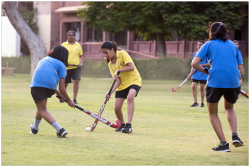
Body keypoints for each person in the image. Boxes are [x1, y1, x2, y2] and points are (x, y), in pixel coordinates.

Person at [191, 22, 244, 152]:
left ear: (211, 32)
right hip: (234, 82)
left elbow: (194, 63)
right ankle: (235, 135)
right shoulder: (233, 45)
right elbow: (242, 72)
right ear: (226, 32)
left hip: (215, 82)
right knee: (229, 107)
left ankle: (223, 144)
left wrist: (207, 72)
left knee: (213, 113)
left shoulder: (208, 44)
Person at [29, 45, 75, 137]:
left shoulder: (44, 59)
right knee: (42, 108)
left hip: (37, 85)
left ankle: (60, 129)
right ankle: (35, 128)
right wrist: (69, 100)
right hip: (50, 87)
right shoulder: (62, 65)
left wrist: (66, 98)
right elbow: (62, 88)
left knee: (42, 109)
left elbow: (43, 76)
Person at [101, 41, 142, 133]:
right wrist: (110, 92)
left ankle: (128, 125)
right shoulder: (110, 64)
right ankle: (122, 125)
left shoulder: (122, 53)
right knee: (117, 107)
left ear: (112, 50)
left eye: (106, 53)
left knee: (130, 97)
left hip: (133, 80)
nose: (105, 55)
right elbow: (117, 80)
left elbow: (131, 67)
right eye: (103, 53)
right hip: (122, 84)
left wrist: (119, 70)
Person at [61, 30, 84, 104]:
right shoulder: (64, 45)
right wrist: (63, 63)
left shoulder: (78, 45)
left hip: (76, 67)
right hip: (66, 67)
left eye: (72, 35)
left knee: (76, 82)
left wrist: (81, 63)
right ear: (67, 36)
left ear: (74, 36)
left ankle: (74, 99)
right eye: (69, 35)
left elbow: (81, 56)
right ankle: (62, 97)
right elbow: (60, 55)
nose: (71, 36)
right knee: (65, 83)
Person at [188, 40, 209, 107]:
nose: (199, 46)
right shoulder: (195, 54)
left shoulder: (207, 54)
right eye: (198, 44)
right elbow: (193, 64)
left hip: (203, 72)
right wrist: (190, 73)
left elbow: (209, 63)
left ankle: (202, 103)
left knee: (201, 88)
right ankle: (195, 102)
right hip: (195, 73)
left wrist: (201, 65)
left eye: (200, 44)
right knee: (193, 86)